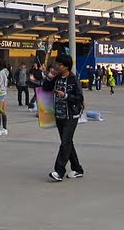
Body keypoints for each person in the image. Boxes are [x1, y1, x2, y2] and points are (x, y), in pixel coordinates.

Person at [43, 54, 84, 182]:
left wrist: (65, 95)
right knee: (68, 143)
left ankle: (59, 171)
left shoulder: (73, 79)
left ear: (66, 66)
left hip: (71, 115)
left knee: (65, 142)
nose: (57, 66)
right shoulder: (57, 77)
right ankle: (77, 169)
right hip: (59, 115)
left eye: (59, 64)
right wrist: (50, 76)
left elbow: (79, 98)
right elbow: (45, 88)